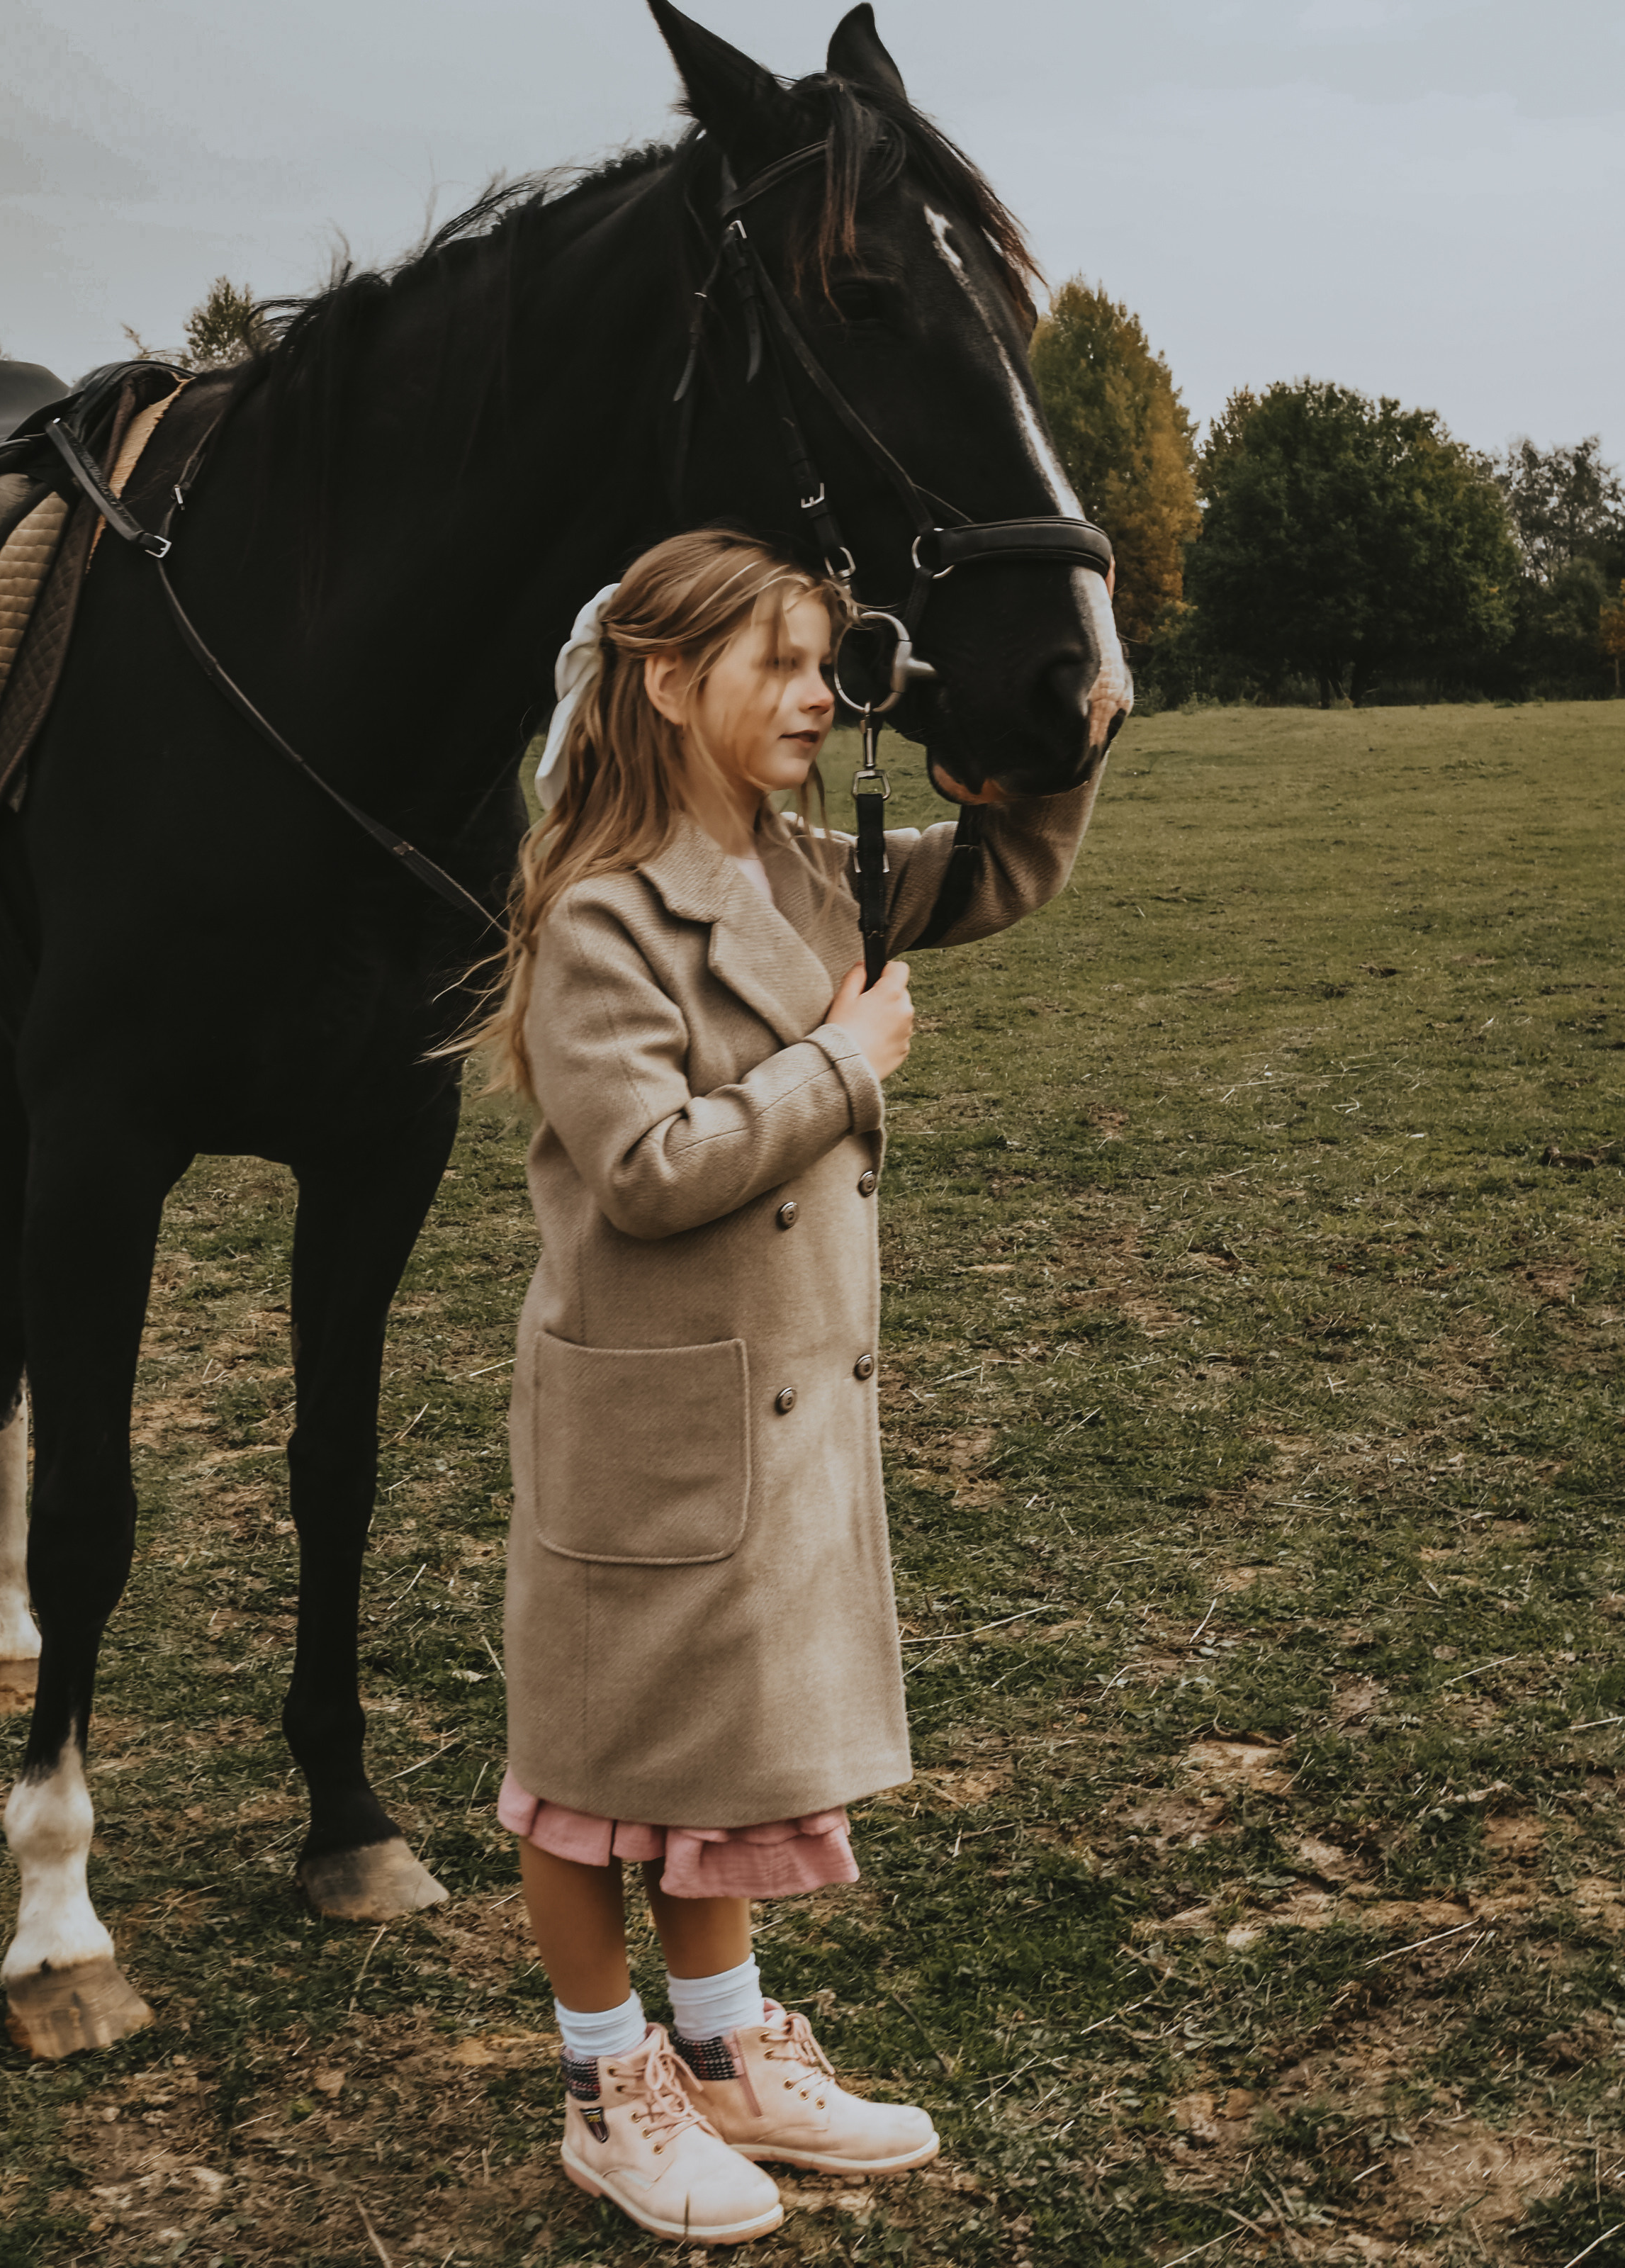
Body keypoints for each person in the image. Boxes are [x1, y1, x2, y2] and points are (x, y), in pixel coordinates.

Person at [478, 527, 1102, 2245]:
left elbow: (1002, 873)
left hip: (772, 1403)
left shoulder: (810, 869)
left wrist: (1064, 733)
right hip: (650, 1414)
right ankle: (613, 2085)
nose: (824, 695)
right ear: (669, 683)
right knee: (591, 1769)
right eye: (782, 665)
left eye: (833, 664)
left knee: (725, 1756)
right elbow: (649, 1167)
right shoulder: (602, 909)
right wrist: (844, 1060)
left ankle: (729, 2046)